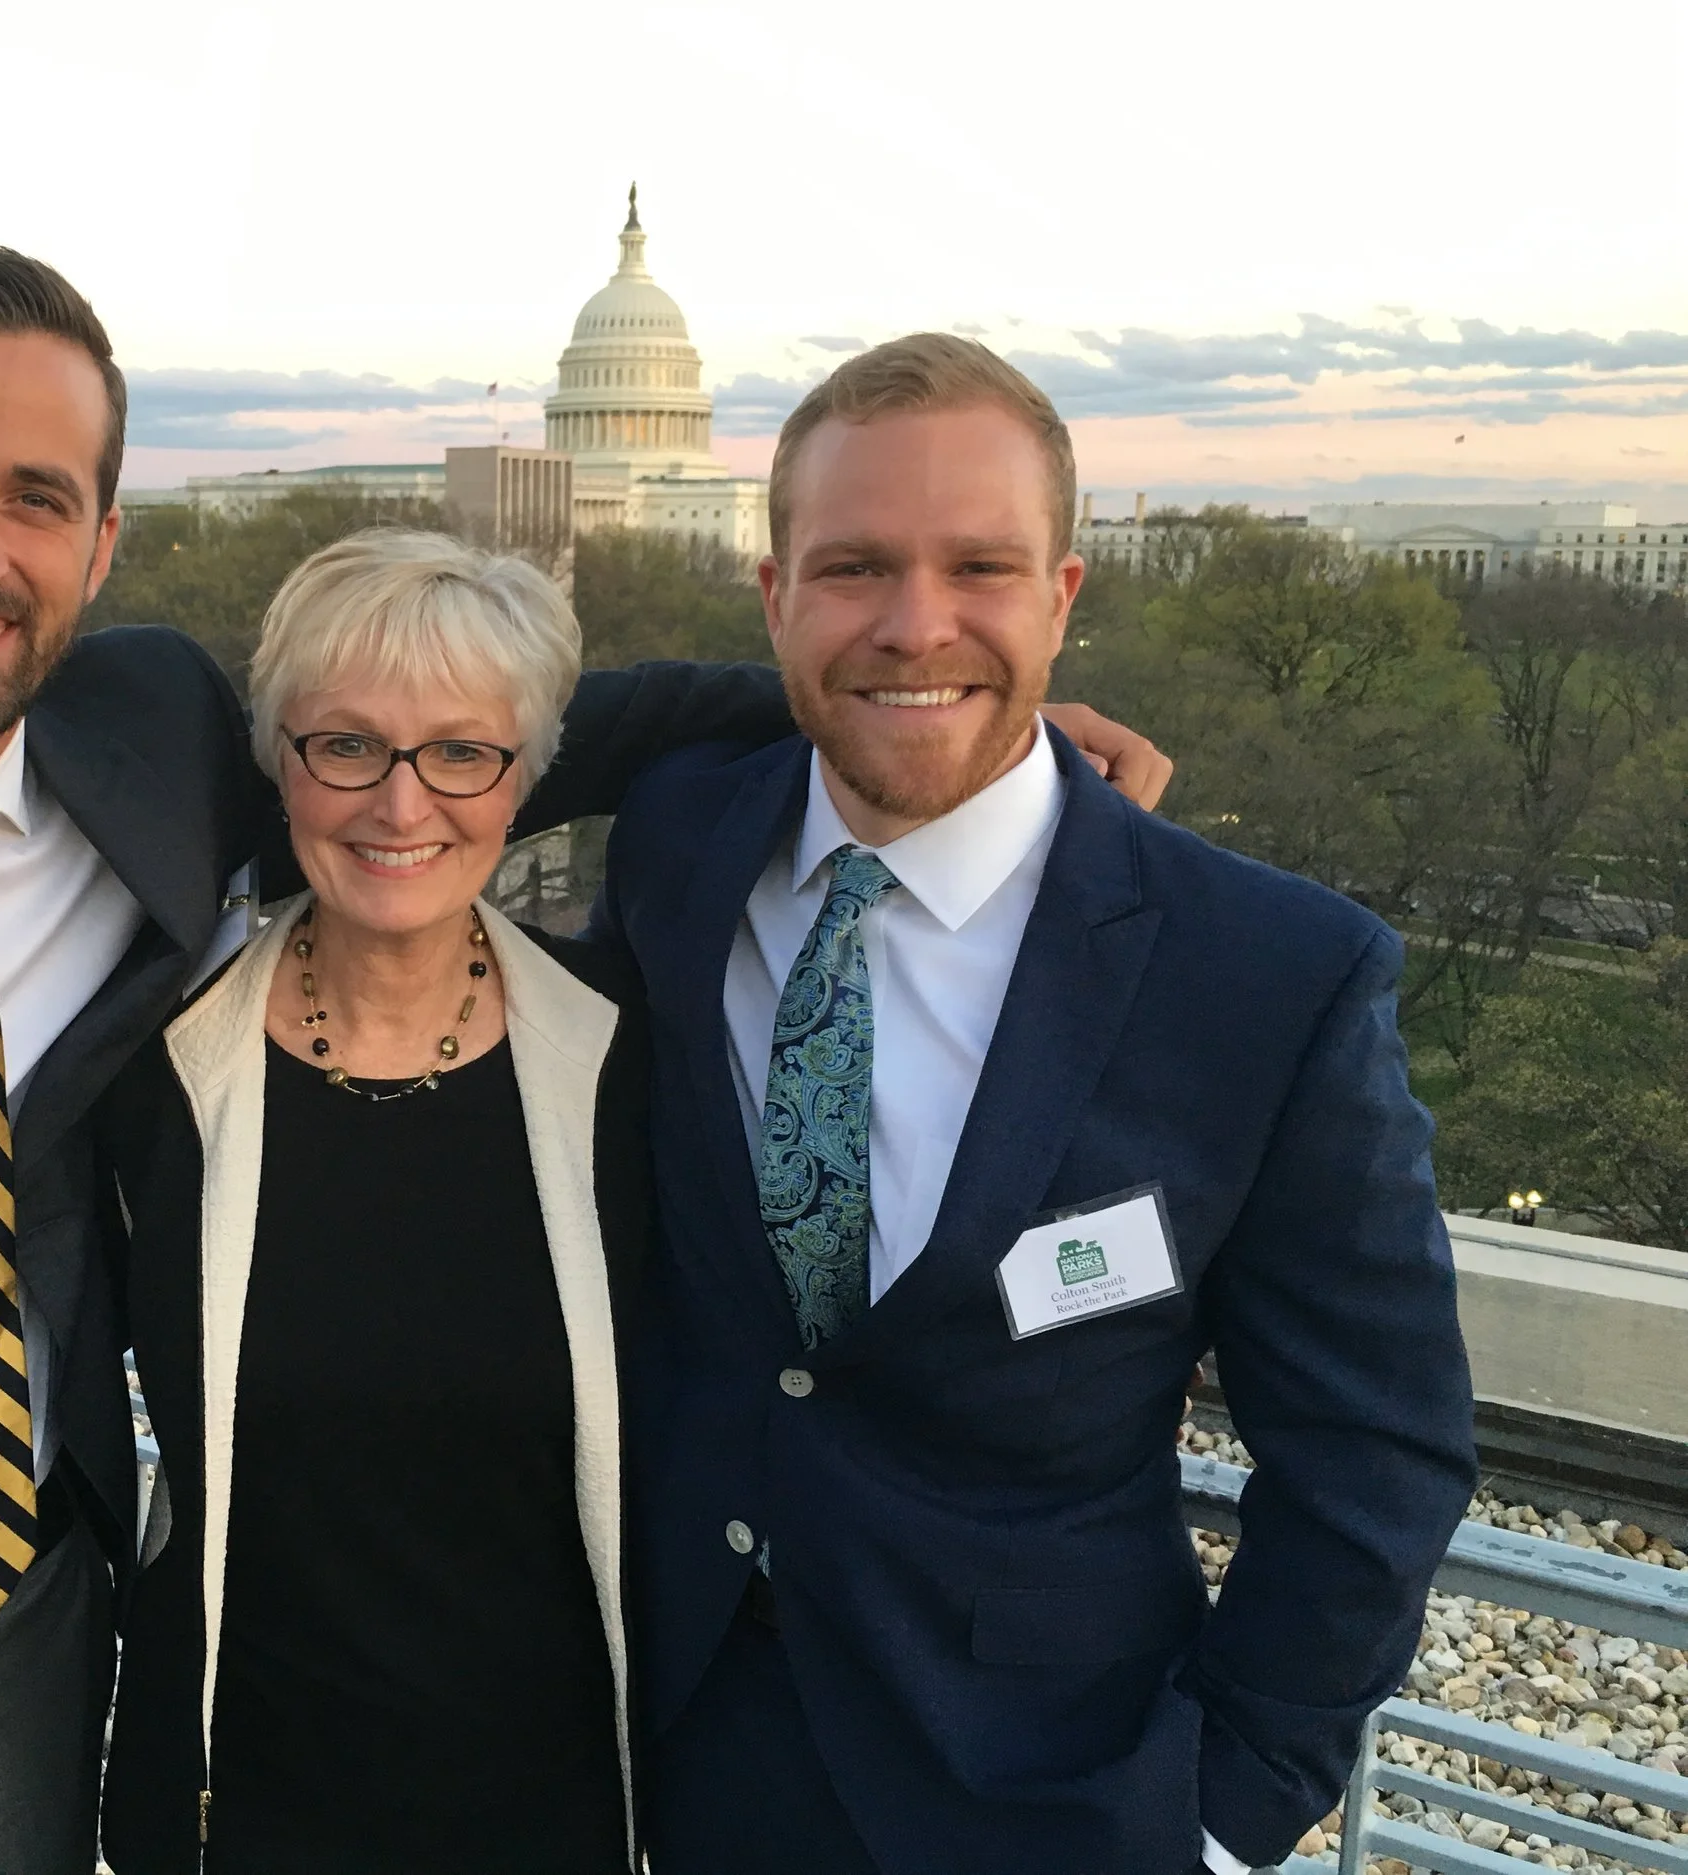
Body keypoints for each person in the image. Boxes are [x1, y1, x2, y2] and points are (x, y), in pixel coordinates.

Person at [0, 240, 1087, 1875]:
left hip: (3, 1675)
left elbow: (500, 721)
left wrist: (950, 720)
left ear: (98, 549)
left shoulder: (144, 747)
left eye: (38, 501)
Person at [593, 335, 1477, 1875]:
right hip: (675, 1758)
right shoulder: (675, 841)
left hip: (1059, 1796)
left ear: (1065, 597)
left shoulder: (1268, 976)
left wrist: (1226, 1810)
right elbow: (452, 744)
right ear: (774, 596)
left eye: (980, 569)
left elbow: (1374, 1448)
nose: (915, 622)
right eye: (854, 568)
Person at [95, 532, 653, 1875]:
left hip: (554, 1816)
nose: (401, 805)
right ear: (280, 763)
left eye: (462, 751)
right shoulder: (152, 1066)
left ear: (524, 781)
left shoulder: (635, 1066)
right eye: (345, 746)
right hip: (242, 1815)